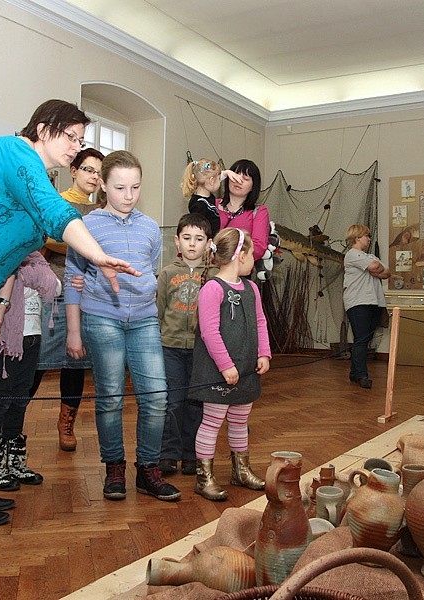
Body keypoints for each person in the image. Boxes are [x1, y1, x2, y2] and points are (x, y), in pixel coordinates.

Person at [0, 100, 138, 528]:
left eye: (82, 140)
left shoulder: (33, 176)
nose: (76, 147)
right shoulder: (13, 152)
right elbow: (56, 213)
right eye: (70, 137)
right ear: (43, 129)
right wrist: (99, 257)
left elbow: (15, 252)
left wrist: (3, 300)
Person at [65, 150, 181, 502]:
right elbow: (73, 276)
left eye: (135, 187)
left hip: (144, 319)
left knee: (157, 397)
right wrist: (73, 330)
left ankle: (148, 469)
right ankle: (114, 466)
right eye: (119, 188)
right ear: (102, 184)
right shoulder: (85, 226)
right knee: (110, 396)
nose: (128, 196)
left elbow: (151, 271)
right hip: (103, 319)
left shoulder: (149, 227)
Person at [30, 147, 105, 452]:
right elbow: (46, 237)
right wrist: (86, 246)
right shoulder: (56, 200)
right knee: (38, 361)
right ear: (73, 171)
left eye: (99, 172)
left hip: (89, 296)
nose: (93, 176)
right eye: (88, 169)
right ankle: (12, 424)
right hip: (55, 293)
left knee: (76, 364)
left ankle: (66, 424)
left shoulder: (100, 209)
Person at [188, 228, 271, 501]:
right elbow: (209, 332)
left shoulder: (252, 289)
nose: (254, 261)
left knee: (240, 421)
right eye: (252, 256)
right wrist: (225, 366)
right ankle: (205, 477)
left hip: (245, 369)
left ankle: (241, 471)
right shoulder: (212, 288)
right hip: (218, 371)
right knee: (212, 423)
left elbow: (260, 322)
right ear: (241, 255)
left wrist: (264, 353)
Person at [0, 252, 60, 491]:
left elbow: (54, 288)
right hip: (6, 341)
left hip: (32, 338)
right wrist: (26, 274)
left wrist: (28, 272)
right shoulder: (4, 258)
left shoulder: (38, 262)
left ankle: (14, 460)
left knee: (20, 398)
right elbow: (6, 280)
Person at [156, 213, 212, 476]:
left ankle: (192, 454)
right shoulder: (167, 274)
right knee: (172, 401)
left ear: (208, 243)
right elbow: (159, 311)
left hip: (202, 351)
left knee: (195, 403)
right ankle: (168, 453)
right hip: (170, 347)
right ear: (177, 242)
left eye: (199, 239)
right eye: (187, 238)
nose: (192, 244)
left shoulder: (213, 276)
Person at [343, 224, 390, 389]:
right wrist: (376, 268)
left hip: (374, 302)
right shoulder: (352, 255)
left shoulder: (369, 256)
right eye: (366, 236)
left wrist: (377, 269)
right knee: (361, 339)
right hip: (358, 301)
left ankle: (355, 373)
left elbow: (386, 272)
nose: (369, 239)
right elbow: (375, 268)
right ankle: (362, 375)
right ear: (357, 238)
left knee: (365, 339)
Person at [218, 159, 269, 261]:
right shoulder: (210, 204)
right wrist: (222, 174)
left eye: (245, 178)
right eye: (235, 176)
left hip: (239, 271)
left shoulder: (259, 211)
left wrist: (226, 258)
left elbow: (258, 247)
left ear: (253, 187)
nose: (239, 180)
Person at [183, 157, 237, 237]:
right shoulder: (198, 204)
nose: (220, 181)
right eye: (219, 179)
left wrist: (227, 173)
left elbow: (217, 175)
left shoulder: (208, 196)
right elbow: (198, 230)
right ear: (211, 181)